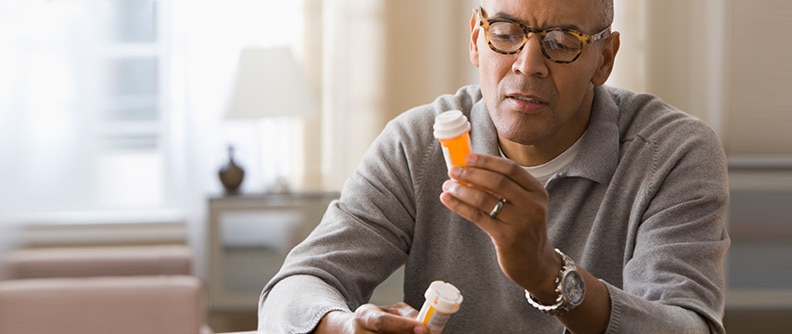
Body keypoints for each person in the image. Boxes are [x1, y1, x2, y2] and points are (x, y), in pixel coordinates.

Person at [258, 0, 729, 332]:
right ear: (476, 39)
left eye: (563, 42)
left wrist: (548, 275)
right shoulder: (419, 142)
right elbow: (296, 286)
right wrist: (341, 327)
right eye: (505, 34)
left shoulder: (674, 153)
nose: (528, 65)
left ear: (603, 58)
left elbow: (687, 325)